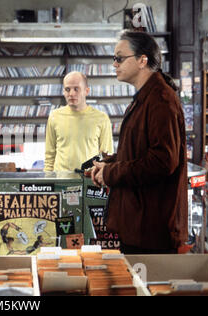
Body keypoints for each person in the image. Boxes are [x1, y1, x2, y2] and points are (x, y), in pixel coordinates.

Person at [91, 30, 187, 254]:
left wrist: (112, 173)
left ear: (142, 60)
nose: (114, 64)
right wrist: (108, 165)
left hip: (150, 230)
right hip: (138, 225)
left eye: (119, 58)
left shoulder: (160, 100)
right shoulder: (147, 97)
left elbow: (162, 162)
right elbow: (138, 153)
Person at [44, 71, 113, 172]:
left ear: (86, 91)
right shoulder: (54, 116)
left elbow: (107, 157)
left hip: (89, 181)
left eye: (76, 89)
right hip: (60, 181)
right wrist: (48, 181)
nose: (71, 94)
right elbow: (49, 156)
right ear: (63, 92)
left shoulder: (101, 118)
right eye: (67, 89)